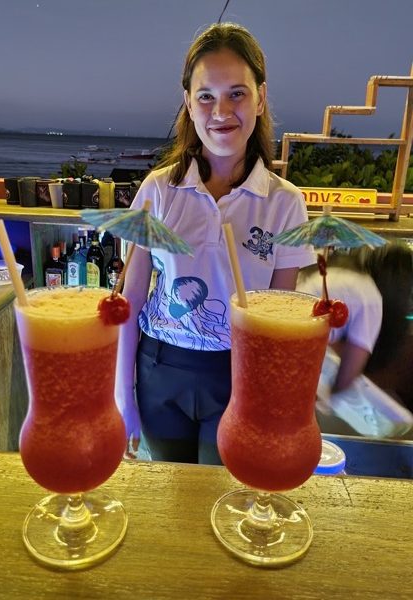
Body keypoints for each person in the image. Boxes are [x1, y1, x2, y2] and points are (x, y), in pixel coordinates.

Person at [115, 22, 315, 464]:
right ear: (189, 103)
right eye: (206, 96)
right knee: (170, 491)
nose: (221, 111)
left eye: (237, 93)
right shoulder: (158, 190)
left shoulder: (284, 203)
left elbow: (279, 321)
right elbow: (131, 298)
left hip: (239, 376)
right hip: (159, 369)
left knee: (221, 492)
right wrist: (121, 396)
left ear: (260, 98)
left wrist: (272, 402)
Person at [297, 240, 413, 437]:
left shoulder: (339, 277)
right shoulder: (370, 298)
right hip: (298, 362)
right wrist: (330, 401)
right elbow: (349, 371)